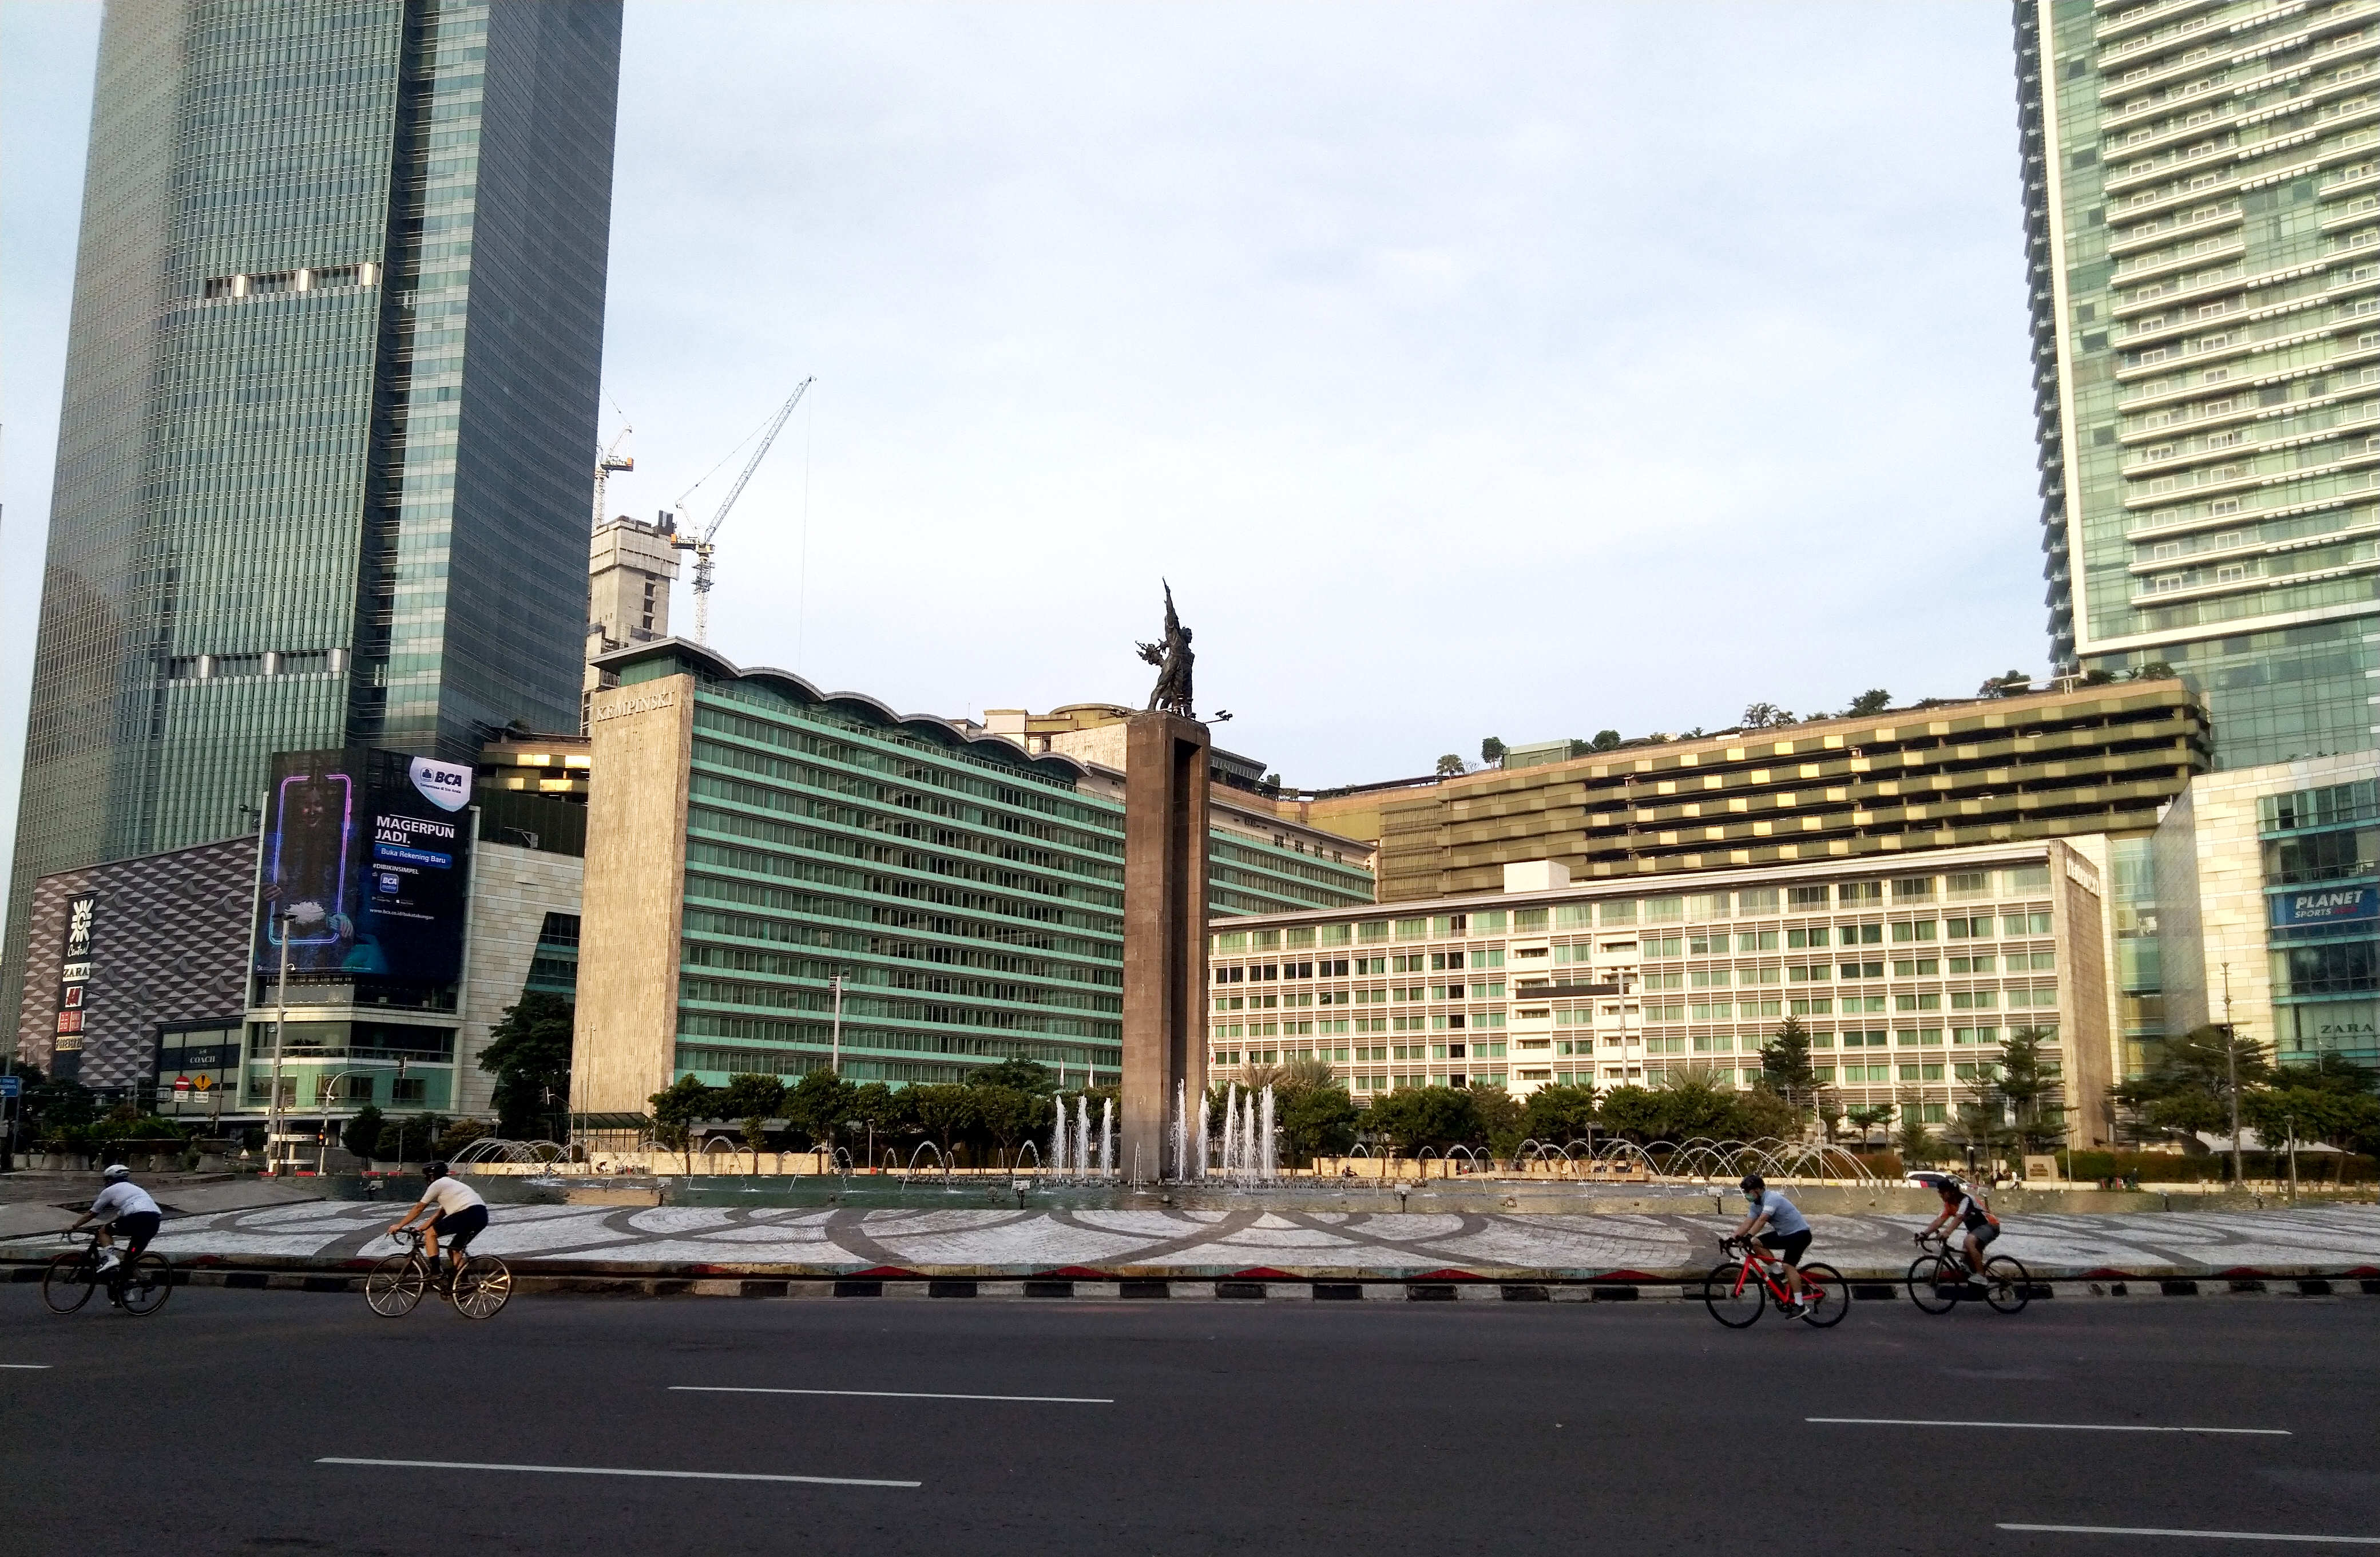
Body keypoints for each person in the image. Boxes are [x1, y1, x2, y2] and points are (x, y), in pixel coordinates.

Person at [387, 1160, 489, 1279]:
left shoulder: (438, 1184)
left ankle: (436, 1271)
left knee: (431, 1234)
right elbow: (440, 1213)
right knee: (454, 1250)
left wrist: (400, 1225)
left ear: (431, 1176)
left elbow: (419, 1207)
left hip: (467, 1213)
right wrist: (421, 1228)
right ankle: (463, 1283)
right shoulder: (452, 1185)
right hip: (481, 1215)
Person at [1731, 1172, 1813, 1308]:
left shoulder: (1772, 1198)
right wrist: (1731, 1239)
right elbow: (1747, 1225)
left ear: (1757, 1190)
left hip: (1800, 1235)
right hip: (1784, 1235)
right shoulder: (1756, 1205)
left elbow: (1762, 1220)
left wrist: (1748, 1236)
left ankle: (1800, 1304)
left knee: (1788, 1266)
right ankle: (1778, 1272)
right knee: (1755, 1243)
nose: (1746, 1195)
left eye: (1748, 1192)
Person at [69, 1163, 162, 1277]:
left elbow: (92, 1213)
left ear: (110, 1179)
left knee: (104, 1231)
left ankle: (111, 1259)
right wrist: (109, 1224)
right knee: (129, 1257)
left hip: (137, 1219)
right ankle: (131, 1288)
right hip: (153, 1222)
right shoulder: (136, 1189)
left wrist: (74, 1226)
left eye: (107, 1180)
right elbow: (120, 1215)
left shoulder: (110, 1190)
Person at [1918, 1175, 2000, 1284]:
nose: (1940, 1195)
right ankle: (1978, 1287)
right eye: (1940, 1192)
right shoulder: (1949, 1205)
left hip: (1990, 1225)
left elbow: (1959, 1217)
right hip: (1976, 1230)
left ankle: (1981, 1275)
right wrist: (1924, 1234)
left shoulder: (1966, 1200)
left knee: (1969, 1241)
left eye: (1943, 1192)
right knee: (1965, 1262)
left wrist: (1947, 1233)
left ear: (1952, 1192)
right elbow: (1939, 1221)